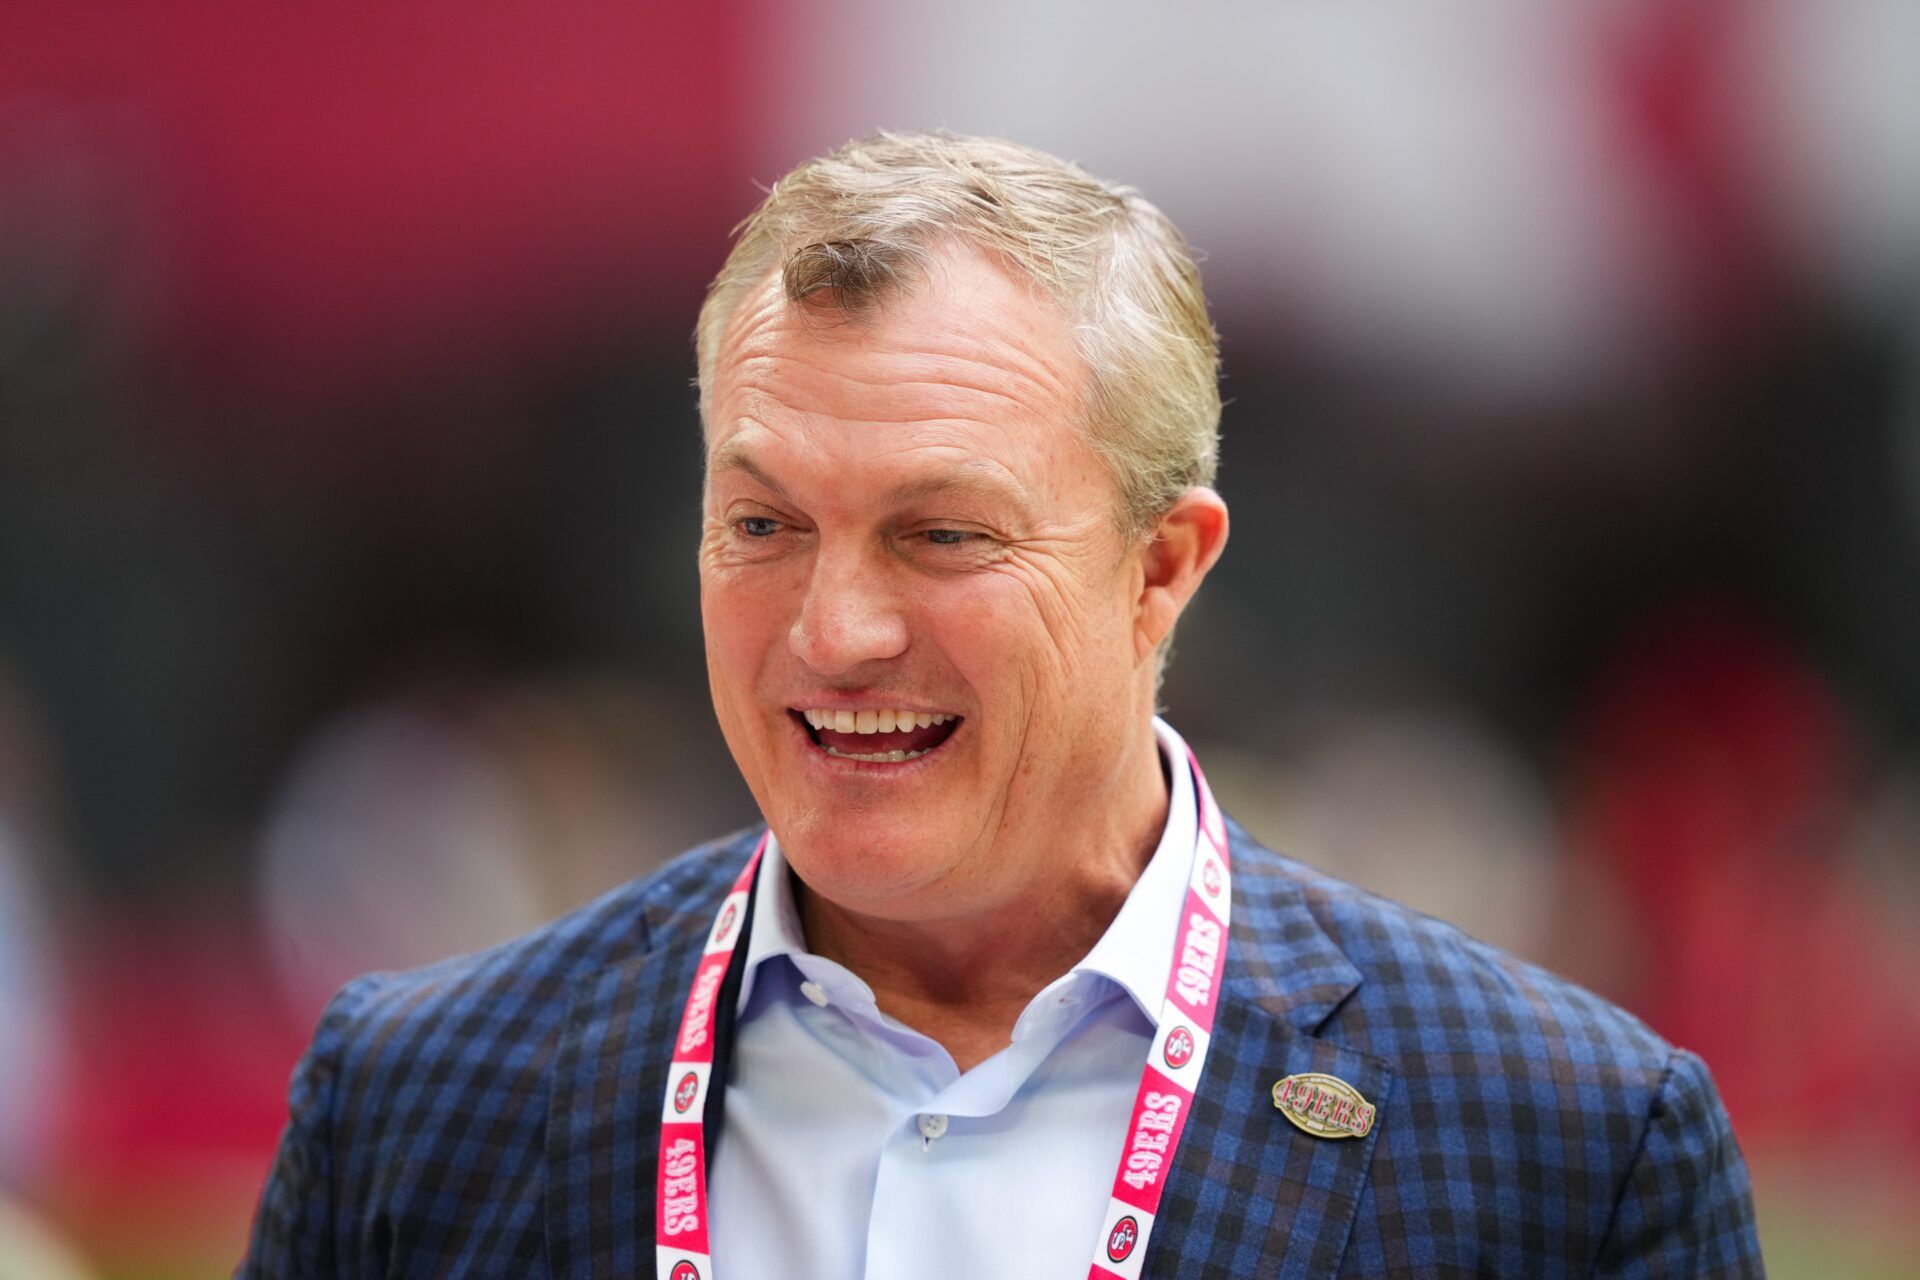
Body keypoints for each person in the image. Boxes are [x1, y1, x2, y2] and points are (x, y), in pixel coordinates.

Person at [239, 132, 1763, 1278]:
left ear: (1161, 569)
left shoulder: (1567, 1151)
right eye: (763, 524)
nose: (833, 632)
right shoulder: (415, 1107)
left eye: (942, 534)